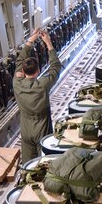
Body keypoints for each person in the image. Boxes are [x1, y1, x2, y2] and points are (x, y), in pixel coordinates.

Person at [14, 29, 63, 160]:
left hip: (25, 130)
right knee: (45, 162)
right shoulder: (43, 84)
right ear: (38, 70)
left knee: (28, 164)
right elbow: (55, 67)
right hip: (42, 129)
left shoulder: (17, 83)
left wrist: (31, 40)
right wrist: (48, 43)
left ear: (23, 71)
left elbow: (19, 61)